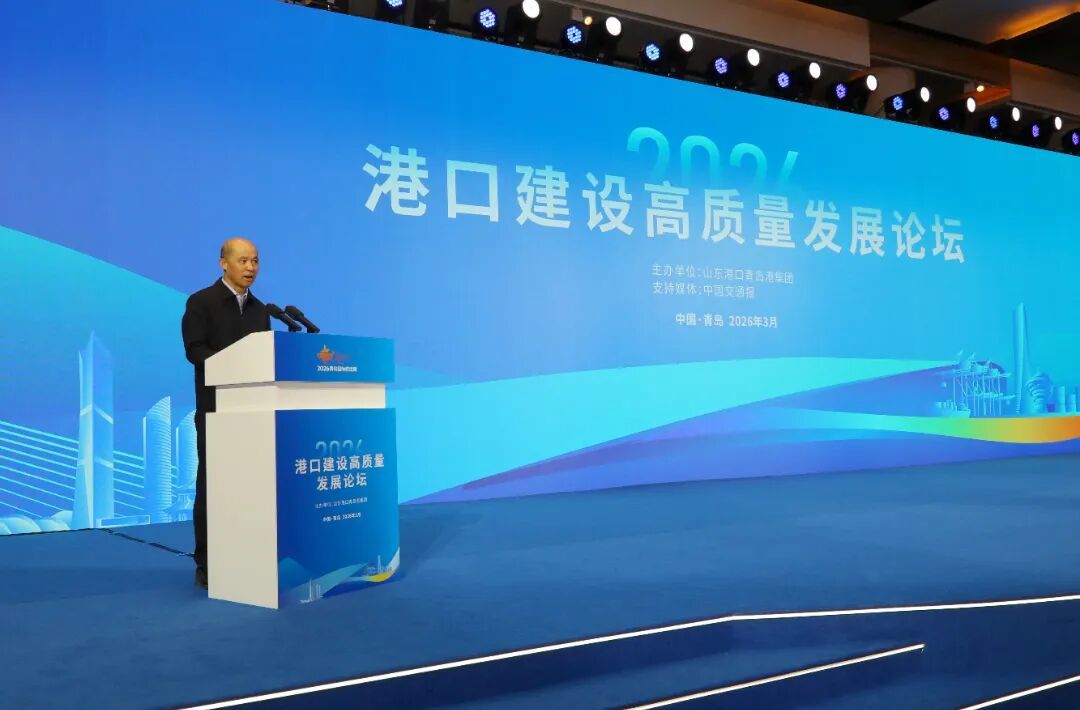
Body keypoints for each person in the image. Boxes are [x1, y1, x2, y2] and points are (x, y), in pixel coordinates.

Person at [181, 238, 271, 590]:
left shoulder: (261, 310)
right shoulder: (201, 301)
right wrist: (231, 367)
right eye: (243, 260)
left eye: (255, 261)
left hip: (254, 413)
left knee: (251, 486)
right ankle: (207, 561)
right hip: (216, 411)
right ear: (223, 263)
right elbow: (195, 350)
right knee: (212, 487)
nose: (251, 267)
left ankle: (248, 554)